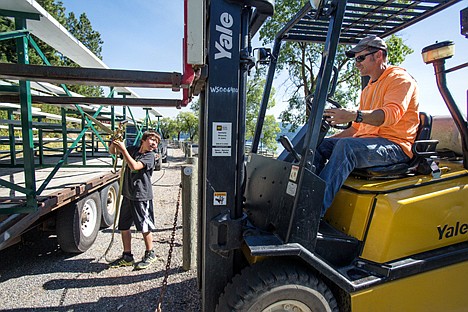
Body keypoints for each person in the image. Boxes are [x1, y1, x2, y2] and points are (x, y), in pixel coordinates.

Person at [314, 35, 419, 216]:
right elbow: (355, 129)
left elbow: (390, 115)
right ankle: (302, 197)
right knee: (318, 146)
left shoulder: (400, 80)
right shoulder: (368, 89)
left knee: (347, 148)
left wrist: (354, 114)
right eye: (355, 59)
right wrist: (322, 140)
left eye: (361, 58)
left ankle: (311, 211)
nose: (357, 63)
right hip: (370, 143)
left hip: (395, 146)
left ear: (378, 55)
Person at [108, 130, 161, 270]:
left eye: (156, 142)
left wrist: (124, 149)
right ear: (143, 140)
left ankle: (150, 254)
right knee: (124, 227)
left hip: (141, 196)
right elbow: (113, 152)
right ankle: (127, 256)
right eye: (151, 139)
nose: (154, 143)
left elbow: (135, 166)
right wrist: (115, 143)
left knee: (144, 226)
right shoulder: (133, 150)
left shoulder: (150, 156)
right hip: (128, 194)